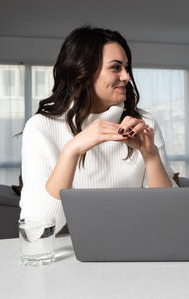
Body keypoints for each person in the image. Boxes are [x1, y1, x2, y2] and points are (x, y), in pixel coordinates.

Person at [20, 26, 175, 233]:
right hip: (73, 257)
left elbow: (168, 216)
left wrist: (150, 155)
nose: (127, 77)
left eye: (127, 68)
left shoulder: (144, 123)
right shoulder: (40, 128)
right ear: (83, 71)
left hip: (138, 247)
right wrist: (71, 152)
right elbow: (37, 231)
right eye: (116, 68)